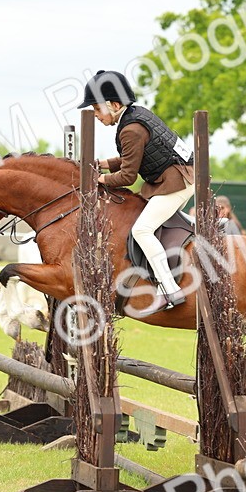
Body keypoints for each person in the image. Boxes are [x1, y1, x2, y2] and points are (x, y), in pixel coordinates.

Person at [80, 70, 195, 317]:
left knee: (142, 230)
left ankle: (169, 288)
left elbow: (127, 177)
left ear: (114, 104)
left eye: (97, 109)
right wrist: (102, 164)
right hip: (179, 175)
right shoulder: (134, 117)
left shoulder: (130, 129)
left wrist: (98, 179)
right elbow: (130, 159)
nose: (96, 116)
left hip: (177, 181)